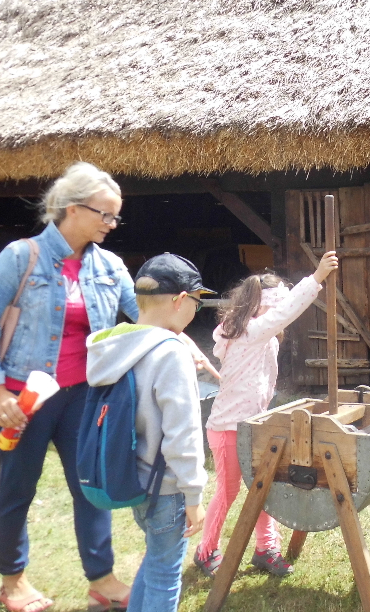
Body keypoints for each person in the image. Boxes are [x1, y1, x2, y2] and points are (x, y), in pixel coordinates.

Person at [0, 162, 136, 612]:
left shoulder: (111, 267)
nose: (111, 224)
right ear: (71, 209)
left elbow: (144, 318)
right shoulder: (21, 257)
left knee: (90, 487)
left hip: (84, 396)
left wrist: (180, 324)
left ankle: (101, 579)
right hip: (23, 399)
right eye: (105, 214)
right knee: (16, 487)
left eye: (115, 216)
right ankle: (13, 582)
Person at [193, 250, 339, 577]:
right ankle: (205, 551)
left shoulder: (263, 339)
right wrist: (315, 280)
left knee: (263, 487)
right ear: (259, 308)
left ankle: (265, 549)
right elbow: (282, 315)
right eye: (274, 309)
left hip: (253, 428)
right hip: (228, 429)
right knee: (228, 491)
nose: (278, 316)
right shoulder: (249, 333)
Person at [86, 253, 212, 612]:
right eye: (196, 304)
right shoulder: (170, 353)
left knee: (155, 561)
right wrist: (194, 495)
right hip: (168, 488)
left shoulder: (110, 345)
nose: (193, 314)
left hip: (133, 479)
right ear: (179, 300)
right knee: (165, 575)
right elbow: (183, 432)